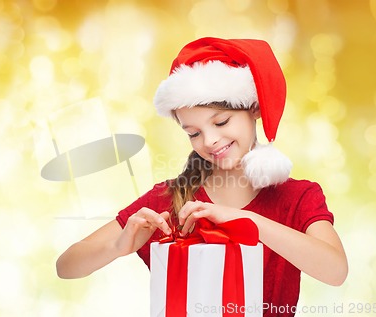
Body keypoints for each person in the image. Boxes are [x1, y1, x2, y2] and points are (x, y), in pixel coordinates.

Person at [56, 37, 348, 317]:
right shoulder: (172, 199)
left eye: (221, 121)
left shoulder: (297, 198)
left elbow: (335, 271)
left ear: (254, 109)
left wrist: (246, 222)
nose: (209, 140)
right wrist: (118, 247)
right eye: (193, 133)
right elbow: (66, 266)